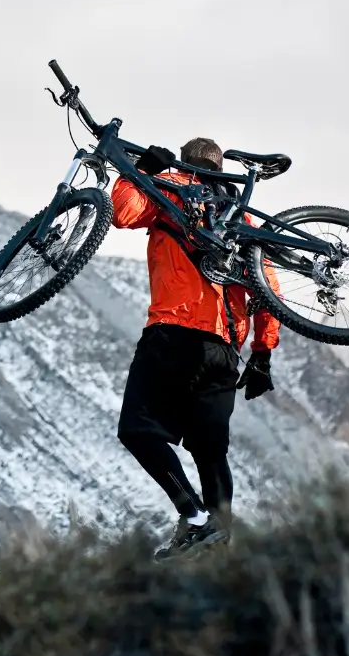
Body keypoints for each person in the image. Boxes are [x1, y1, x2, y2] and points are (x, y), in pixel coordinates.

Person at [112, 136, 281, 558]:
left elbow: (122, 212)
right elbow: (269, 292)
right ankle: (220, 541)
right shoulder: (242, 219)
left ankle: (194, 516)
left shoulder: (172, 187)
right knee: (210, 449)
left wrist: (143, 171)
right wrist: (262, 354)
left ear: (186, 162)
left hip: (174, 333)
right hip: (224, 350)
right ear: (221, 167)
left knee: (136, 429)